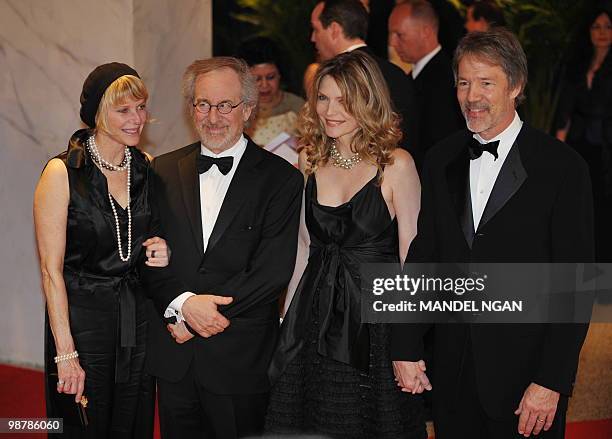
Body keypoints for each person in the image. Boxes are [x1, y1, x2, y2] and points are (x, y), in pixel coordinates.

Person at [391, 29, 594, 439]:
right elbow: (424, 256)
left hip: (526, 379)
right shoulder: (440, 158)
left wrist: (552, 380)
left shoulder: (562, 167)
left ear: (515, 86)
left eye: (486, 83)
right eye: (464, 83)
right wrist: (405, 345)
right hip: (452, 372)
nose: (471, 96)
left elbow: (576, 284)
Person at [141, 56, 303, 439]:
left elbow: (273, 270)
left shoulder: (282, 179)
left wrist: (198, 316)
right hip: (174, 356)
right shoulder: (160, 171)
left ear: (247, 109)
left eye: (225, 105)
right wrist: (183, 305)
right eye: (202, 104)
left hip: (239, 357)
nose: (213, 116)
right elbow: (148, 255)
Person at [266, 50, 426, 439]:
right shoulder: (310, 158)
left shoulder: (397, 164)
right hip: (313, 313)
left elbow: (411, 257)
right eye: (323, 98)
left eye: (343, 99)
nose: (330, 110)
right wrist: (287, 320)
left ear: (367, 100)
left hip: (375, 322)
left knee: (373, 421)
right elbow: (305, 247)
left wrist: (409, 343)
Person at [34, 62, 170, 438]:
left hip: (136, 320)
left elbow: (149, 243)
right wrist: (65, 353)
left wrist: (161, 250)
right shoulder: (62, 173)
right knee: (81, 425)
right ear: (97, 112)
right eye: (123, 109)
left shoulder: (146, 169)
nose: (137, 119)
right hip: (81, 322)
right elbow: (50, 271)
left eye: (141, 107)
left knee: (134, 423)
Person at [311, 0, 421, 165]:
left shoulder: (332, 76)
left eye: (316, 29)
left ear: (334, 29)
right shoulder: (395, 73)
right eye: (323, 98)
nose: (312, 38)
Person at [555, 8, 612, 262]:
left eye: (608, 27)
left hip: (607, 150)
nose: (602, 33)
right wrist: (559, 144)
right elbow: (565, 109)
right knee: (579, 211)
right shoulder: (578, 65)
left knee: (604, 213)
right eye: (596, 27)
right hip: (579, 146)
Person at [389, 0, 464, 156]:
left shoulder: (445, 79)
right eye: (390, 34)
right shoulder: (416, 74)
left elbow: (441, 141)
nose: (392, 43)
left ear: (426, 32)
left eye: (399, 35)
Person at [237, 37, 305, 148]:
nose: (264, 85)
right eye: (257, 79)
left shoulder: (297, 105)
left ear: (280, 75)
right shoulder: (237, 108)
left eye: (270, 77)